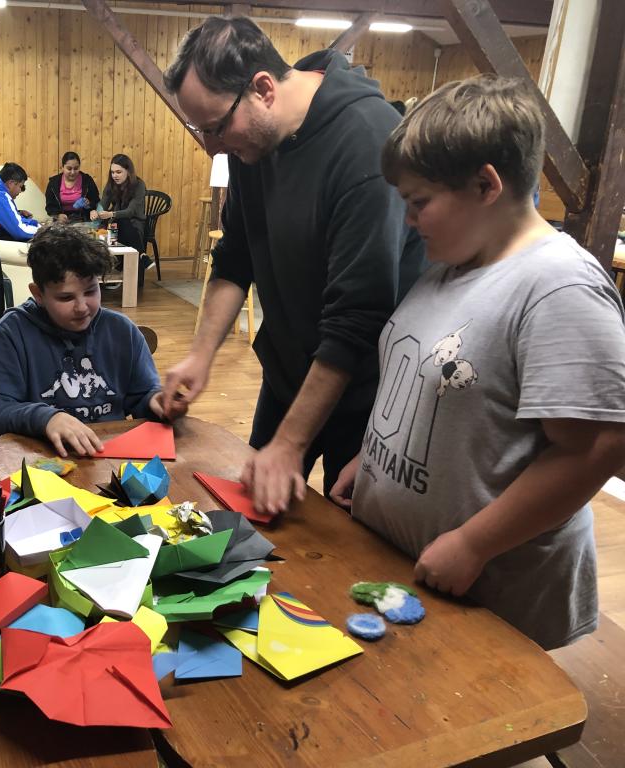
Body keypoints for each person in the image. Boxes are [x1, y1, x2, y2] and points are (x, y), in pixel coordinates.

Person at [329, 75, 625, 650]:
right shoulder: (453, 262)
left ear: (487, 184)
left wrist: (474, 543)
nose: (409, 220)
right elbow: (434, 389)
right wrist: (372, 460)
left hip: (492, 596)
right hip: (411, 574)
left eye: (419, 202)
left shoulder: (558, 287)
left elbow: (596, 447)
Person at [159, 16, 425, 516]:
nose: (213, 146)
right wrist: (200, 356)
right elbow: (236, 255)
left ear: (263, 89)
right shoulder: (254, 143)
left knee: (349, 539)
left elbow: (357, 318)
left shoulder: (365, 143)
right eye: (201, 130)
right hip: (288, 375)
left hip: (363, 391)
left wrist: (290, 443)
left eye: (216, 128)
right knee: (253, 524)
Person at [0, 224, 175, 456]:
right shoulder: (12, 333)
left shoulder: (121, 331)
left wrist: (157, 402)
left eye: (91, 291)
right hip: (41, 462)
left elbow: (142, 396)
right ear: (38, 294)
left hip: (110, 458)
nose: (82, 307)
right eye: (66, 297)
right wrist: (45, 419)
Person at [91, 154, 147, 254]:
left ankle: (138, 257)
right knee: (110, 225)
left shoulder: (139, 185)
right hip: (116, 222)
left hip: (134, 222)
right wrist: (96, 212)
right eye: (112, 172)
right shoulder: (111, 184)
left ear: (128, 171)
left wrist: (111, 214)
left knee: (119, 222)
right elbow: (103, 204)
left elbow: (130, 212)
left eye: (118, 172)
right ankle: (141, 256)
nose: (114, 176)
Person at [45, 151, 100, 224]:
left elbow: (96, 200)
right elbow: (49, 207)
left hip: (83, 220)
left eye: (76, 168)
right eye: (69, 169)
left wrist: (88, 204)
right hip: (61, 222)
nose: (73, 172)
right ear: (62, 167)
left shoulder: (87, 180)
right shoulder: (53, 183)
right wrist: (58, 215)